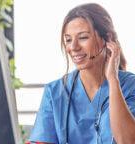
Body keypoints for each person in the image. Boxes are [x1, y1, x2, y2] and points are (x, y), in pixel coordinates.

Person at [28, 3, 135, 144]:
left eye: (83, 37)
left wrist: (113, 80)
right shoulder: (55, 92)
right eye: (68, 40)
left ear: (107, 39)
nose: (73, 47)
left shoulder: (130, 86)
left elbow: (129, 141)